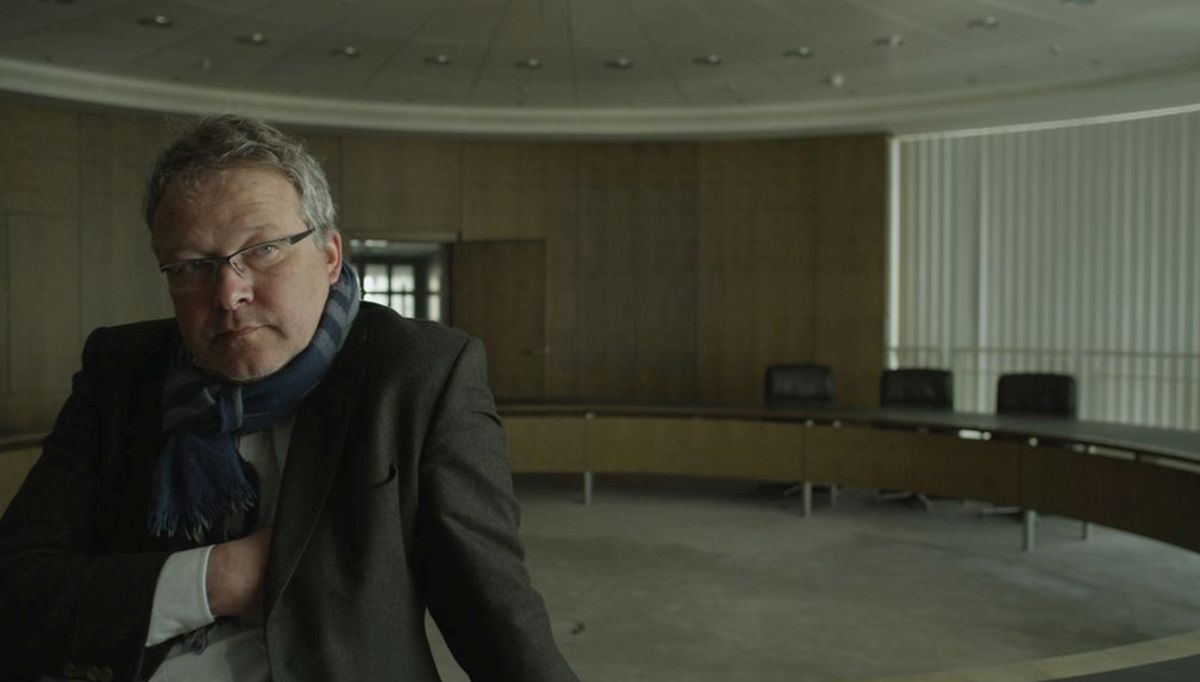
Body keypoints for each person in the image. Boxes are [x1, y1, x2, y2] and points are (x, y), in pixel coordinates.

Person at [0, 115, 578, 682]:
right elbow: (17, 585)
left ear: (329, 256)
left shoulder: (419, 373)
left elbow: (493, 613)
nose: (228, 294)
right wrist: (215, 579)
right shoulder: (121, 369)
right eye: (194, 266)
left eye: (263, 249)